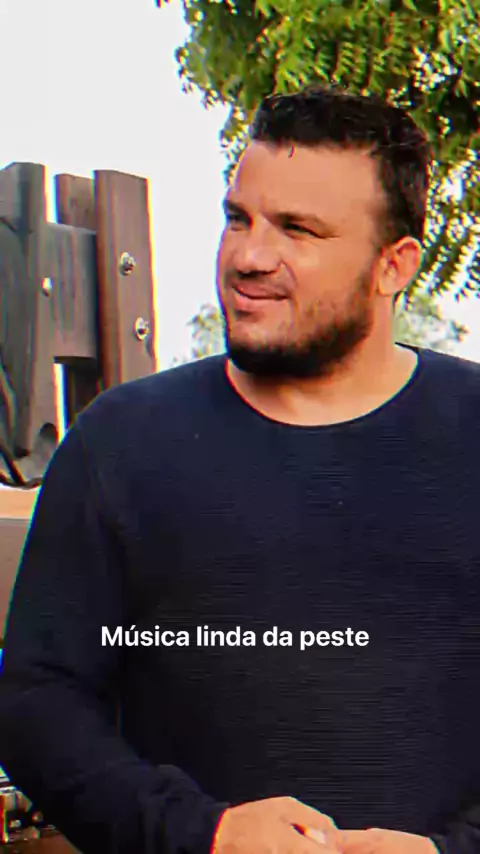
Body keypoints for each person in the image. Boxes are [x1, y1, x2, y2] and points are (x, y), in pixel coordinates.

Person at [0, 84, 479, 854]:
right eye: (237, 218)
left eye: (298, 229)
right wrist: (206, 834)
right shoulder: (121, 444)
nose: (249, 257)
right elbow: (37, 703)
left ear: (393, 265)